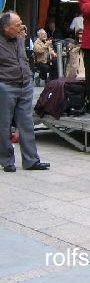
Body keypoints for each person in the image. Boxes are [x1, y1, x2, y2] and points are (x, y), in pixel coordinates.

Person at [0, 12, 49, 172]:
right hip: (5, 85)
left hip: (25, 84)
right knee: (4, 124)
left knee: (27, 123)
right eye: (17, 25)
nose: (21, 27)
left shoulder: (20, 37)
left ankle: (31, 160)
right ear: (6, 28)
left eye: (21, 23)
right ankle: (7, 160)